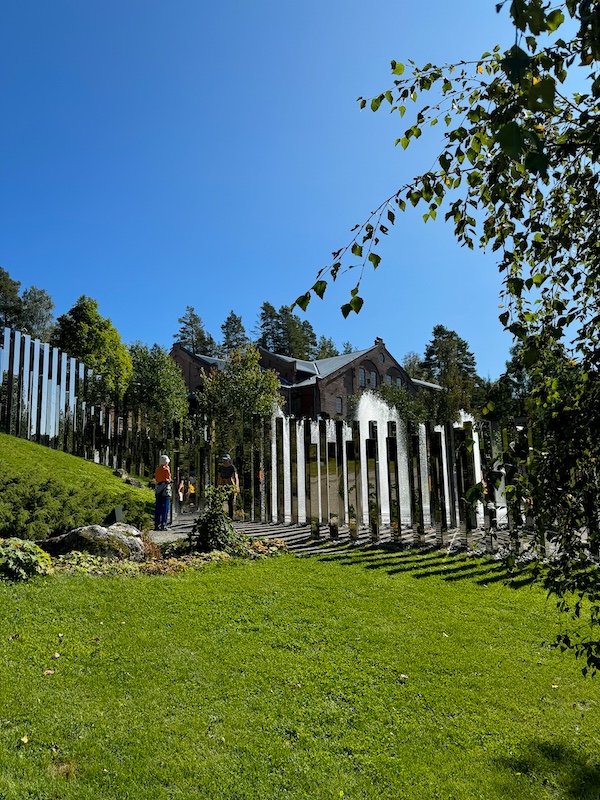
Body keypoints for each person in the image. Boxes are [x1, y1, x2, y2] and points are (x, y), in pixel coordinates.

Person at [217, 454, 239, 518]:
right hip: (223, 485)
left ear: (229, 460)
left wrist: (237, 486)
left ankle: (230, 516)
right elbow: (219, 477)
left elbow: (236, 477)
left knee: (230, 501)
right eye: (224, 460)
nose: (225, 461)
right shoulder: (221, 468)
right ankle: (221, 515)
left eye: (226, 460)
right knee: (221, 500)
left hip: (230, 485)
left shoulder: (232, 467)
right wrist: (218, 486)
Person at [154, 454, 172, 531]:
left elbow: (157, 478)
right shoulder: (166, 469)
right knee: (165, 508)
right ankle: (163, 524)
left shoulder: (157, 469)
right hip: (165, 490)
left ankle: (156, 524)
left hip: (158, 489)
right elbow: (168, 479)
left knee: (158, 507)